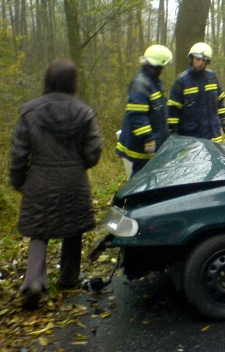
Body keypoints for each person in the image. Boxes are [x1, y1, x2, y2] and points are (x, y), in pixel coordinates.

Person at [10, 59, 103, 309]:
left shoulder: (29, 112)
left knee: (39, 232)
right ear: (73, 83)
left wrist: (18, 180)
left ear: (48, 81)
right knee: (73, 229)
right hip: (74, 180)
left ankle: (34, 281)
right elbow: (94, 150)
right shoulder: (84, 112)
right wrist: (78, 164)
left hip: (40, 179)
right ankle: (68, 278)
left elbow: (19, 152)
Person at [116, 44, 172, 176]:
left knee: (152, 176)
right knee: (140, 176)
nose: (163, 69)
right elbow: (137, 115)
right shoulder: (140, 84)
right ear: (156, 66)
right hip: (144, 145)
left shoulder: (153, 82)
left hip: (156, 140)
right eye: (162, 66)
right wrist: (148, 139)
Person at [168, 42, 225, 142]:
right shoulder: (182, 80)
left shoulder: (212, 77)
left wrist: (223, 119)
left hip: (213, 133)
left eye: (204, 60)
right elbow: (173, 109)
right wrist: (173, 130)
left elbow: (220, 100)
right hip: (191, 135)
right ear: (192, 58)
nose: (201, 62)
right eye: (198, 59)